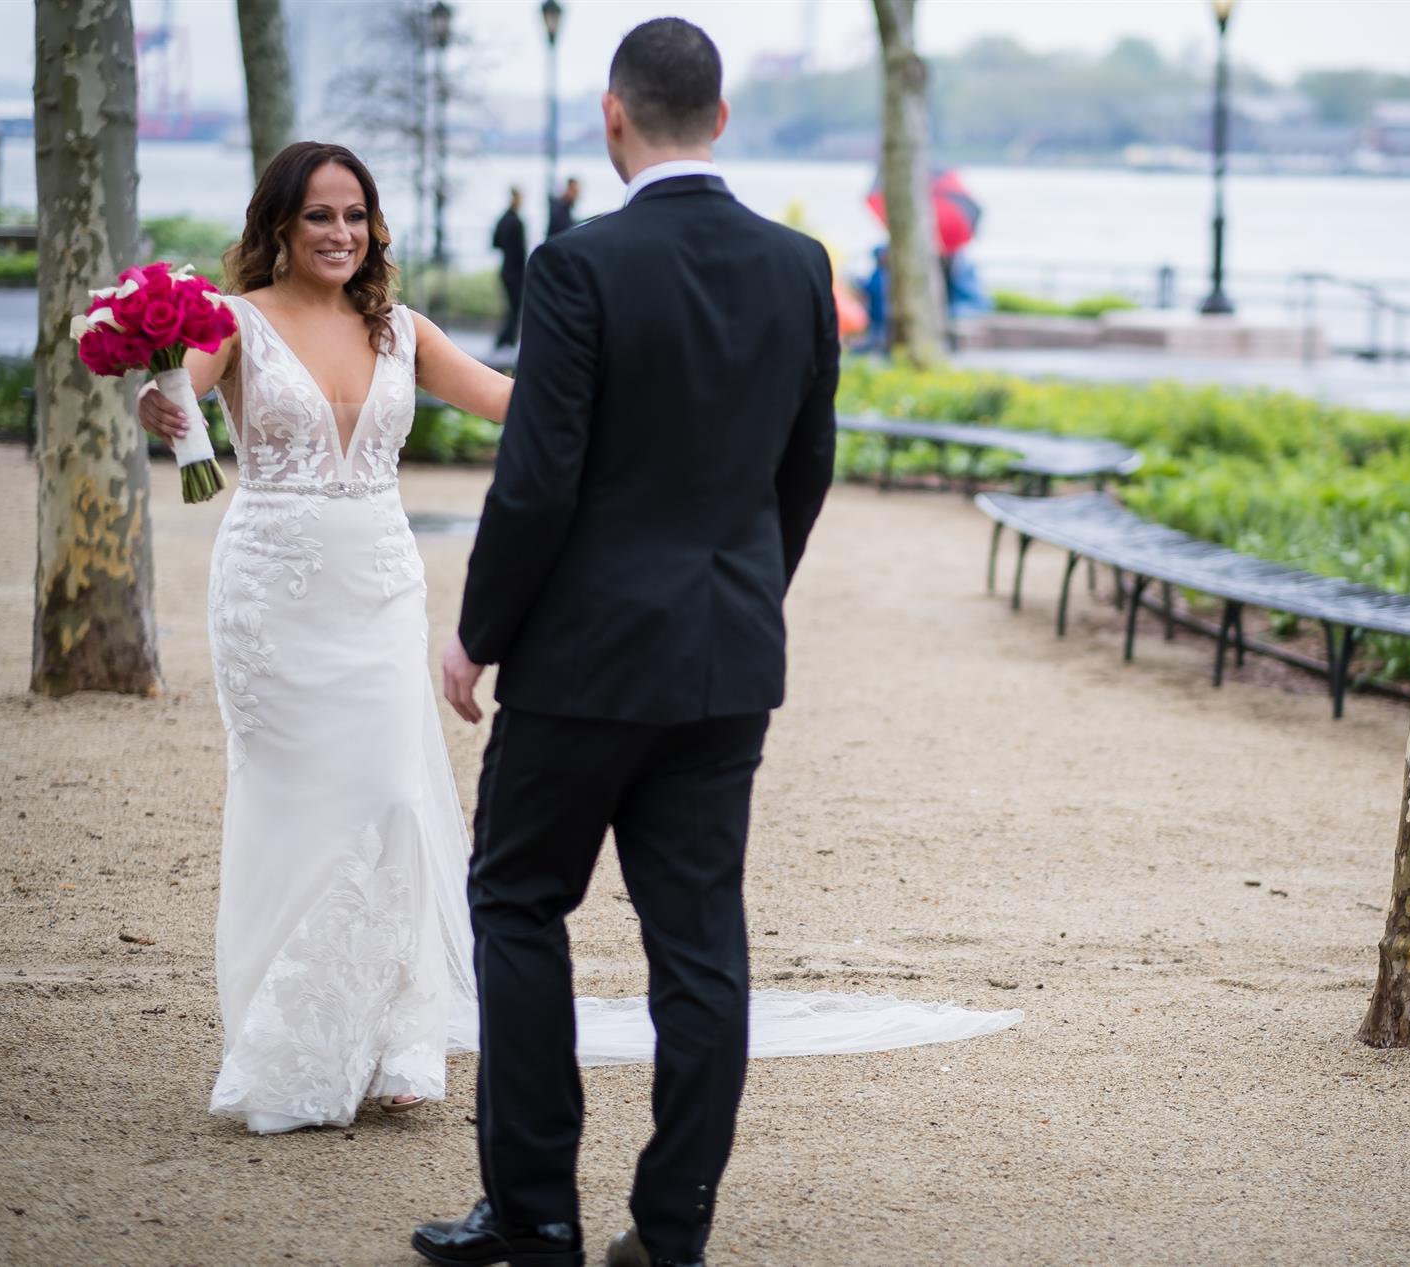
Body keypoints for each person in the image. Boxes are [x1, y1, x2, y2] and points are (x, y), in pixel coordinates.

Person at [412, 19, 840, 1267]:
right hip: (725, 659)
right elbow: (807, 465)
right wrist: (745, 592)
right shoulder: (797, 264)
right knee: (700, 945)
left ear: (613, 116)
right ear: (721, 118)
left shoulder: (578, 264)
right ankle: (672, 1228)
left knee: (517, 901)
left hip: (584, 665)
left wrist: (479, 633)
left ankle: (535, 1212)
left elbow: (538, 477)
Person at [134, 141, 515, 1135]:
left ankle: (396, 1043)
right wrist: (165, 405)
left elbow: (512, 402)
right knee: (292, 807)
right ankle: (287, 1050)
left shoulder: (402, 330)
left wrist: (624, 370)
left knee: (393, 796)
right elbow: (181, 396)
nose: (340, 233)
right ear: (279, 225)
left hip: (381, 592)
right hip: (273, 596)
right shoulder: (234, 322)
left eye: (354, 215)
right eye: (319, 215)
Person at [492, 186, 527, 350]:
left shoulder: (503, 219)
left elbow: (495, 242)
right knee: (515, 308)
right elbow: (520, 251)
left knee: (512, 308)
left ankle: (506, 339)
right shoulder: (516, 222)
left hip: (506, 268)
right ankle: (506, 340)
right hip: (515, 271)